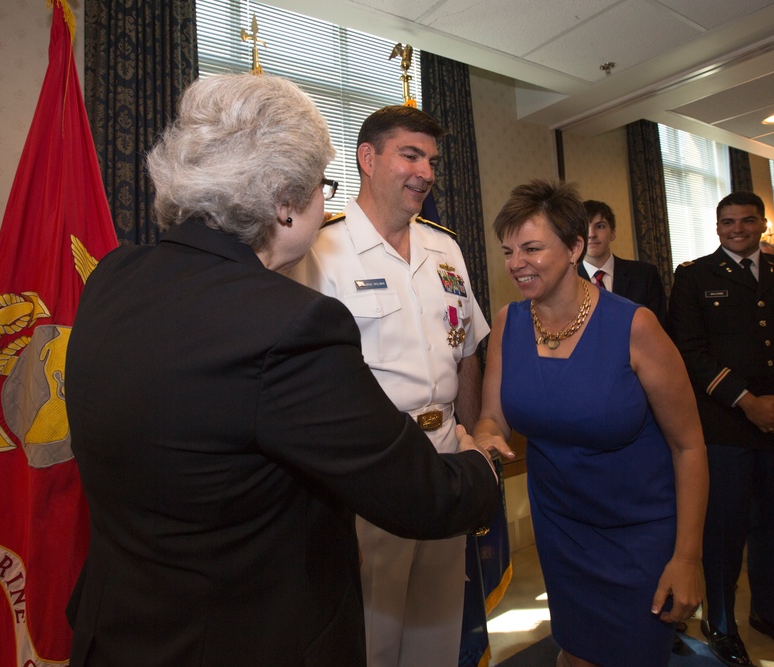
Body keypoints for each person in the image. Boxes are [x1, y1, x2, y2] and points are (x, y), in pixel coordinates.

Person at [63, 74, 500, 666]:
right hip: (245, 637)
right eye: (323, 185)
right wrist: (483, 466)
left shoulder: (110, 279)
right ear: (283, 201)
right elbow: (418, 497)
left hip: (122, 631)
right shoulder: (289, 322)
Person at [474, 179, 708, 667]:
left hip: (639, 534)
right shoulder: (508, 324)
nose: (516, 262)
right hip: (560, 531)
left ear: (575, 246)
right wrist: (487, 437)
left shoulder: (635, 326)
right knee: (576, 654)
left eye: (532, 248)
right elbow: (492, 416)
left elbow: (689, 447)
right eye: (508, 250)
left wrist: (687, 558)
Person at [289, 105, 489, 667]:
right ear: (367, 158)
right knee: (370, 642)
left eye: (432, 160)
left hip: (447, 459)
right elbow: (299, 381)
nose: (425, 171)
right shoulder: (319, 250)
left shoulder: (444, 248)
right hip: (369, 472)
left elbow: (469, 348)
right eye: (410, 154)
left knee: (438, 635)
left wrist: (470, 437)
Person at [668, 191, 774, 667]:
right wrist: (747, 400)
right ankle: (719, 621)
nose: (737, 229)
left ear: (763, 223)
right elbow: (689, 351)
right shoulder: (695, 277)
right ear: (716, 227)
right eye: (727, 222)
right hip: (726, 426)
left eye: (746, 220)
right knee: (723, 530)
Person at [579, 199, 668, 324]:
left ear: (613, 233)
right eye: (584, 227)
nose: (591, 234)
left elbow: (660, 327)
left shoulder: (645, 275)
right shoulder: (565, 281)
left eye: (600, 226)